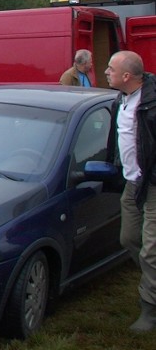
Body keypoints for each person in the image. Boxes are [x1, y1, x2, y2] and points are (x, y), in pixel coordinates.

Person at [105, 50, 156, 333]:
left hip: (153, 185)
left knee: (151, 251)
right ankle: (153, 284)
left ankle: (150, 309)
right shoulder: (120, 100)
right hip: (132, 183)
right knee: (128, 239)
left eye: (110, 68)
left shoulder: (151, 103)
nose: (105, 72)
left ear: (126, 76)